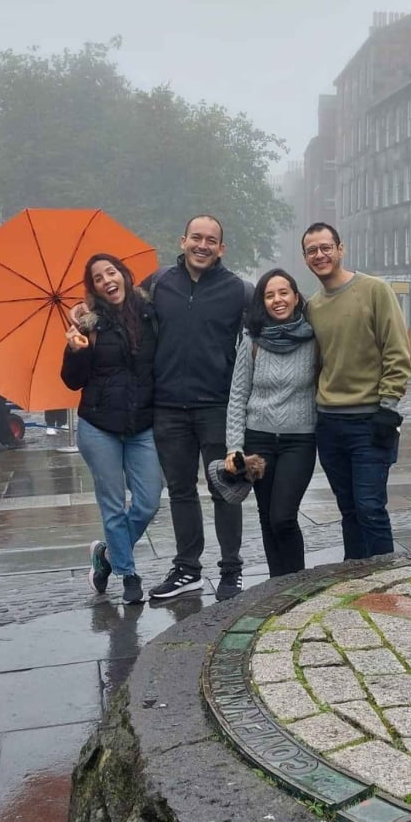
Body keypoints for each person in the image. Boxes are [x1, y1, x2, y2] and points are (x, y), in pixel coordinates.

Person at [146, 214, 250, 602]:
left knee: (226, 488)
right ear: (183, 240)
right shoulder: (158, 285)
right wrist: (83, 317)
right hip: (168, 408)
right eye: (196, 238)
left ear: (221, 248)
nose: (202, 245)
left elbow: (278, 317)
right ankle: (187, 568)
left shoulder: (239, 290)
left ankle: (232, 569)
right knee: (180, 491)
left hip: (218, 407)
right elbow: (120, 315)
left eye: (211, 240)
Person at [301, 223, 411, 560]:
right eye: (311, 250)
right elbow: (316, 363)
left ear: (340, 248)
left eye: (325, 247)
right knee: (348, 509)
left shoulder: (375, 290)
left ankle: (386, 578)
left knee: (370, 508)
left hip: (369, 420)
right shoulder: (313, 306)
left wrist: (388, 408)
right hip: (329, 424)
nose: (319, 255)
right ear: (305, 258)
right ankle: (355, 578)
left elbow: (397, 351)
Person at [61, 254, 162, 606]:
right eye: (98, 278)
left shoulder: (150, 315)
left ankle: (105, 556)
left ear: (124, 275)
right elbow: (72, 382)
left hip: (142, 424)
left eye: (111, 272)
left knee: (149, 501)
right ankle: (127, 573)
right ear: (94, 288)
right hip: (98, 426)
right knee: (114, 505)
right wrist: (75, 352)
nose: (107, 280)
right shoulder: (89, 326)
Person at [223, 269, 318, 577]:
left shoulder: (314, 338)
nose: (277, 300)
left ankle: (297, 587)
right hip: (258, 441)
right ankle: (277, 588)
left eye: (283, 293)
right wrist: (234, 447)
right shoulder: (252, 340)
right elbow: (238, 396)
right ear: (261, 302)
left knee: (283, 517)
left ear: (296, 296)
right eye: (269, 295)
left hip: (299, 440)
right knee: (266, 516)